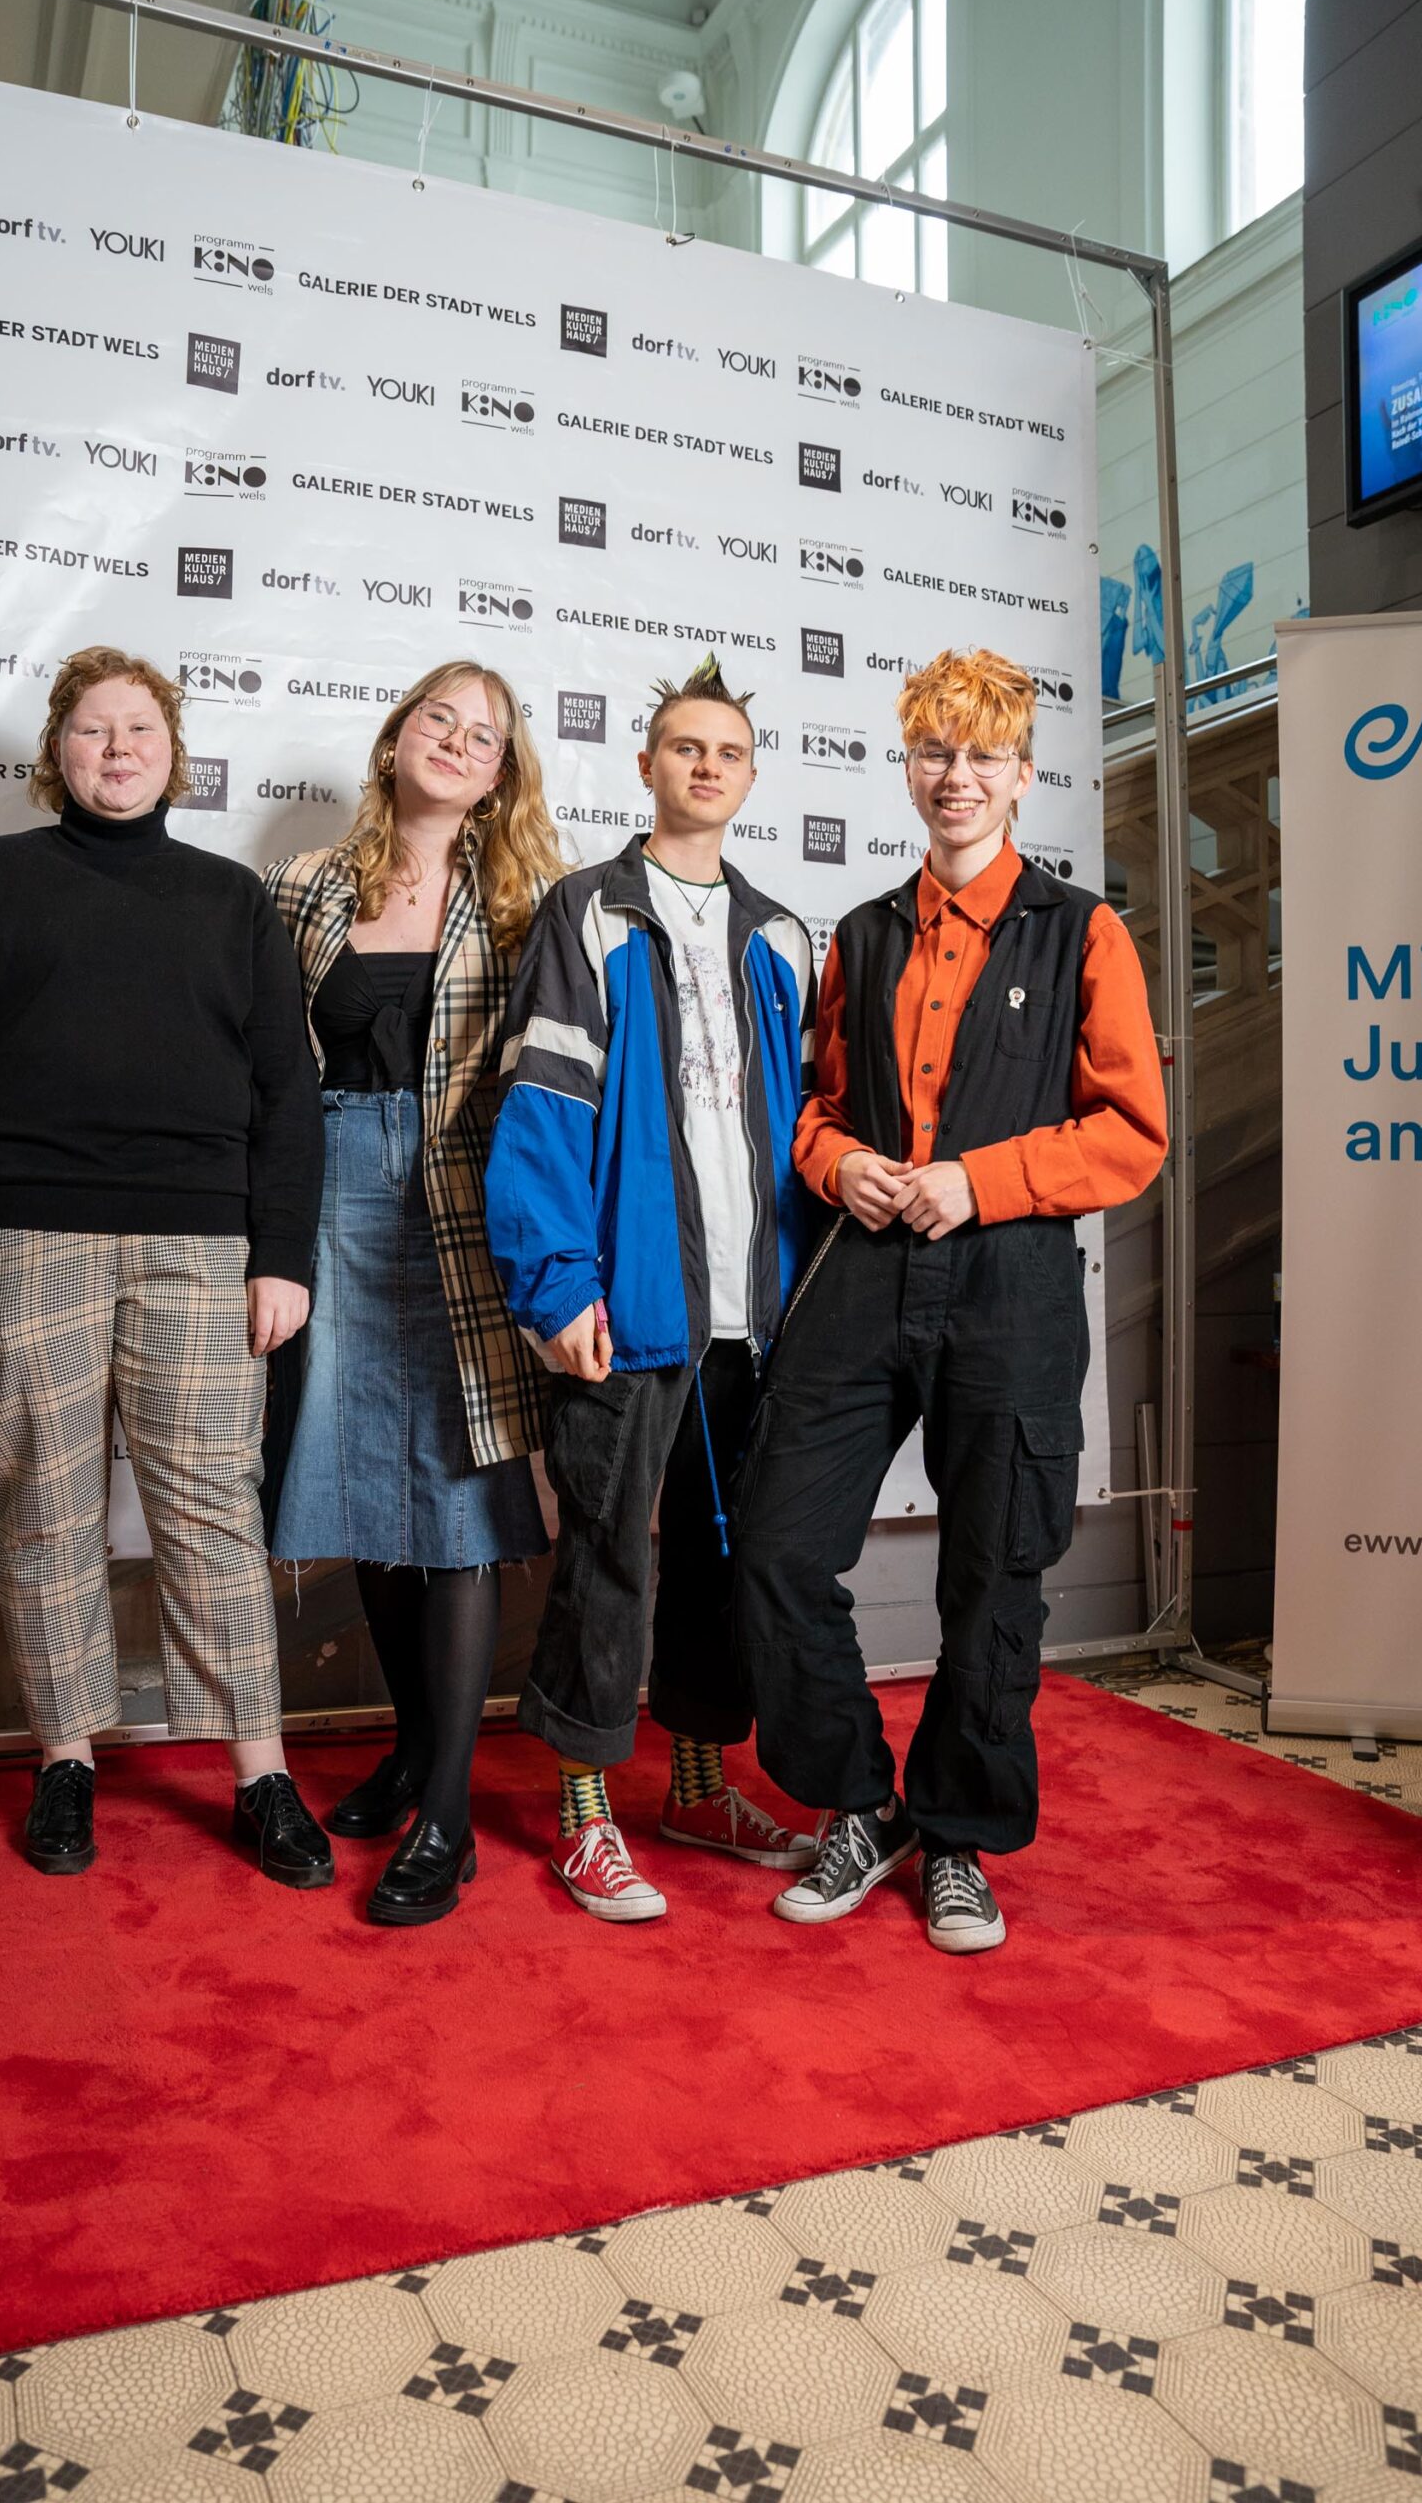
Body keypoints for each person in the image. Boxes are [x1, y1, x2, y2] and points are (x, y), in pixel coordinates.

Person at [732, 646, 1168, 1950]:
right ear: (906, 766)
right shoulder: (860, 936)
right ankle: (863, 1804)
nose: (956, 776)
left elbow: (1130, 1132)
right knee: (771, 1543)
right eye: (934, 752)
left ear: (1022, 775)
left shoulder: (1081, 930)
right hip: (862, 1278)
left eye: (982, 755)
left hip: (1010, 1283)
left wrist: (978, 1183)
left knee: (993, 1580)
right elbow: (812, 1111)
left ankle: (960, 1836)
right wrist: (842, 1164)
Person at [0, 646, 328, 1887]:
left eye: (138, 728)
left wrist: (281, 1254)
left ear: (173, 751)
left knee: (213, 1514)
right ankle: (66, 1757)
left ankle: (260, 1769)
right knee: (45, 1507)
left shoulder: (233, 901)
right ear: (55, 754)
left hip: (201, 1247)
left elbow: (291, 1095)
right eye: (90, 730)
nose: (116, 749)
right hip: (20, 1242)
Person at [485, 655, 819, 1923]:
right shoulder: (589, 914)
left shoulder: (780, 935)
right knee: (611, 1553)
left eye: (728, 752)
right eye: (685, 747)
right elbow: (540, 1118)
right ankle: (583, 1808)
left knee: (723, 1564)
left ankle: (694, 1783)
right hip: (626, 1307)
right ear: (647, 766)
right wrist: (558, 1283)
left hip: (757, 1317)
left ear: (749, 776)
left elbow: (803, 1135)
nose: (707, 767)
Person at [265, 661, 562, 1928]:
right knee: (357, 1491)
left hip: (460, 1204)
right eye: (437, 718)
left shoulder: (525, 901)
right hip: (331, 1195)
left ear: (501, 772)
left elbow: (553, 1089)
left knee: (452, 1498)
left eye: (481, 733)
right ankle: (407, 1742)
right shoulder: (302, 888)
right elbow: (267, 1072)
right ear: (396, 741)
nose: (455, 741)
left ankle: (449, 1807)